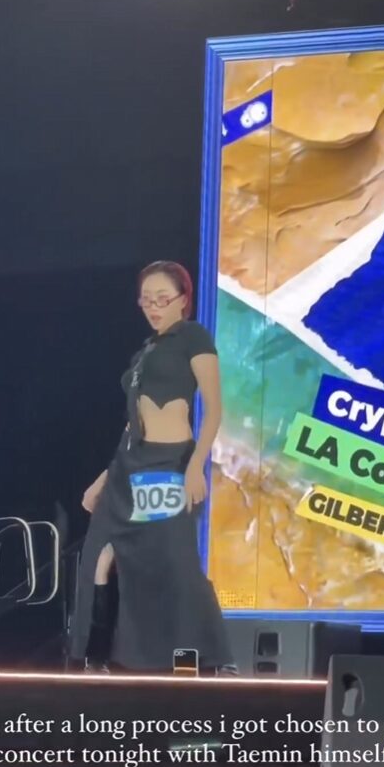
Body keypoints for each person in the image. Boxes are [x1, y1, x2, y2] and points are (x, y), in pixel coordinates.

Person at [69, 260, 236, 675]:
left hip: (170, 463)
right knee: (100, 555)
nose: (154, 308)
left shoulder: (193, 337)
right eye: (146, 300)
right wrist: (102, 479)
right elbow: (132, 424)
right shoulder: (145, 352)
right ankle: (96, 657)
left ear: (183, 299)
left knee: (176, 563)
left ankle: (213, 658)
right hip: (129, 466)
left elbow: (214, 409)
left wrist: (195, 467)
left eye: (162, 299)